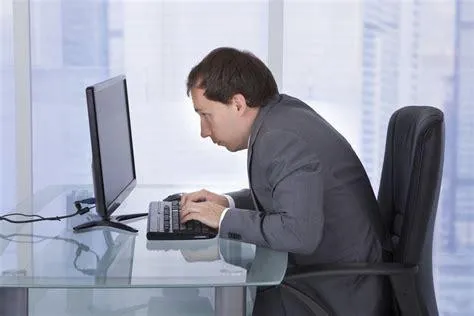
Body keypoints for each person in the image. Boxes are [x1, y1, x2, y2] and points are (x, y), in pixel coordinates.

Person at [179, 47, 390, 316]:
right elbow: (285, 193)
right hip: (333, 274)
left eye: (205, 115)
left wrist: (223, 218)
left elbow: (297, 233)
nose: (203, 131)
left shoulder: (279, 138)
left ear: (238, 104)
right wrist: (227, 202)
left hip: (339, 291)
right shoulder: (281, 115)